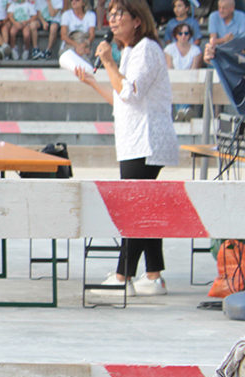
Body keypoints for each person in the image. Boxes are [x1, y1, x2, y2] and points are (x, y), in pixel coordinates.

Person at [74, 0, 179, 297]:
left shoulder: (146, 49)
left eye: (120, 13)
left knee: (134, 206)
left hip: (147, 141)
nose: (113, 19)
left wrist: (108, 61)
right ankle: (154, 275)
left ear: (137, 20)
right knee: (144, 205)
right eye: (111, 14)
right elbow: (121, 101)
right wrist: (95, 83)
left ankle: (123, 276)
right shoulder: (131, 51)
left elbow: (130, 94)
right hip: (134, 139)